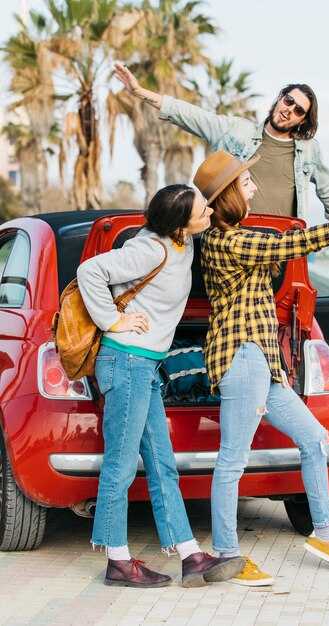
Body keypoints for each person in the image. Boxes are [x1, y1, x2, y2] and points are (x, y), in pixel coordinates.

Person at [191, 150, 329, 586]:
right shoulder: (229, 242)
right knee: (232, 460)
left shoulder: (234, 236)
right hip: (242, 357)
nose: (253, 185)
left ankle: (325, 535)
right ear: (228, 194)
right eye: (245, 182)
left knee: (315, 439)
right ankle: (227, 554)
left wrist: (277, 365)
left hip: (262, 361)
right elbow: (293, 244)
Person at [77, 184, 245, 588]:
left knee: (162, 463)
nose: (209, 212)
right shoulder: (150, 249)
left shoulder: (183, 242)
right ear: (179, 223)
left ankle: (190, 555)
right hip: (126, 362)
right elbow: (90, 271)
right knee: (120, 465)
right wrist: (112, 320)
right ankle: (117, 560)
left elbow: (222, 200)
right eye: (202, 210)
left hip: (146, 367)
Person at [114, 62, 329, 220]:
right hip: (235, 240)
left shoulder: (309, 150)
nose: (289, 109)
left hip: (284, 245)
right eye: (288, 101)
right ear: (280, 99)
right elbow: (190, 115)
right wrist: (139, 91)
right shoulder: (237, 130)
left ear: (303, 120)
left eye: (298, 110)